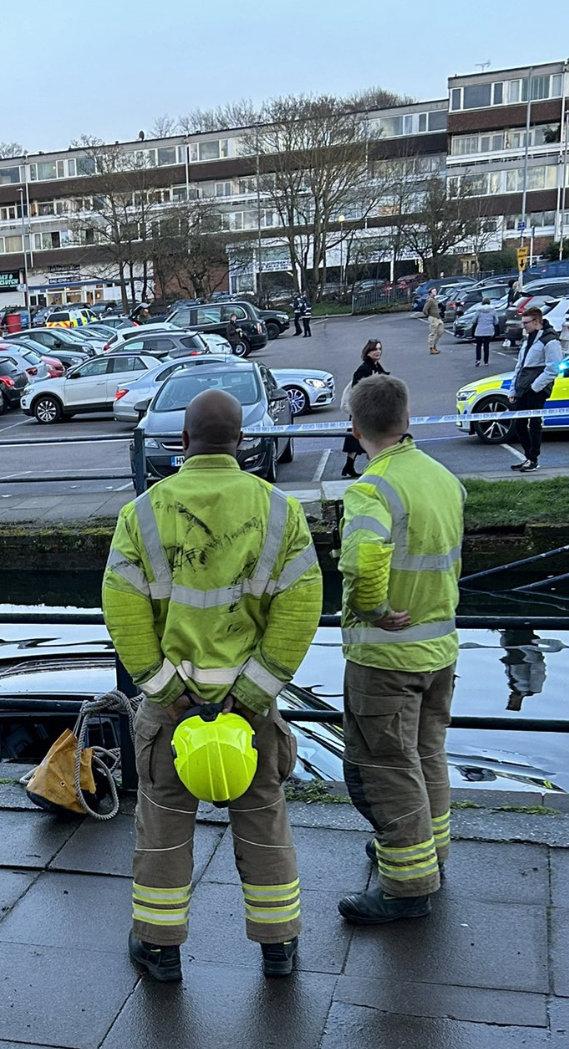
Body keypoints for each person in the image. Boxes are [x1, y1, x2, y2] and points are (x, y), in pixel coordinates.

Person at [103, 387, 323, 981]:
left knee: (164, 828)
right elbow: (300, 613)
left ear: (182, 442)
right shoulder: (281, 512)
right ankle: (278, 946)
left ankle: (159, 948)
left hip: (173, 711)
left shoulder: (142, 514)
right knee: (265, 821)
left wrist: (165, 689)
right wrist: (253, 692)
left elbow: (123, 615)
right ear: (242, 441)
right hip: (248, 712)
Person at [336, 374, 464, 925]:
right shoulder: (443, 479)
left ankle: (407, 886)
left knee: (385, 768)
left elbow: (365, 562)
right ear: (408, 419)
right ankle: (428, 853)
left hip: (386, 658)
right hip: (440, 648)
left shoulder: (372, 488)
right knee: (427, 754)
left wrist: (371, 608)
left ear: (355, 428)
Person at [507, 306, 563, 473]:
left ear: (537, 322)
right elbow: (520, 366)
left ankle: (533, 459)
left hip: (536, 389)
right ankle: (528, 457)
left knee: (535, 423)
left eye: (526, 323)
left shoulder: (550, 340)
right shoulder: (528, 339)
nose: (523, 326)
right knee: (519, 424)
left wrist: (535, 386)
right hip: (522, 387)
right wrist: (513, 390)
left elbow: (553, 368)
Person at [344, 338, 386, 478]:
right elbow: (357, 388)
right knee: (369, 439)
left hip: (370, 409)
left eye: (379, 349)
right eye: (375, 349)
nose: (378, 352)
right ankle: (372, 467)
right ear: (368, 352)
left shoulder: (375, 366)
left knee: (360, 439)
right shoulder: (364, 369)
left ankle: (350, 466)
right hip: (363, 410)